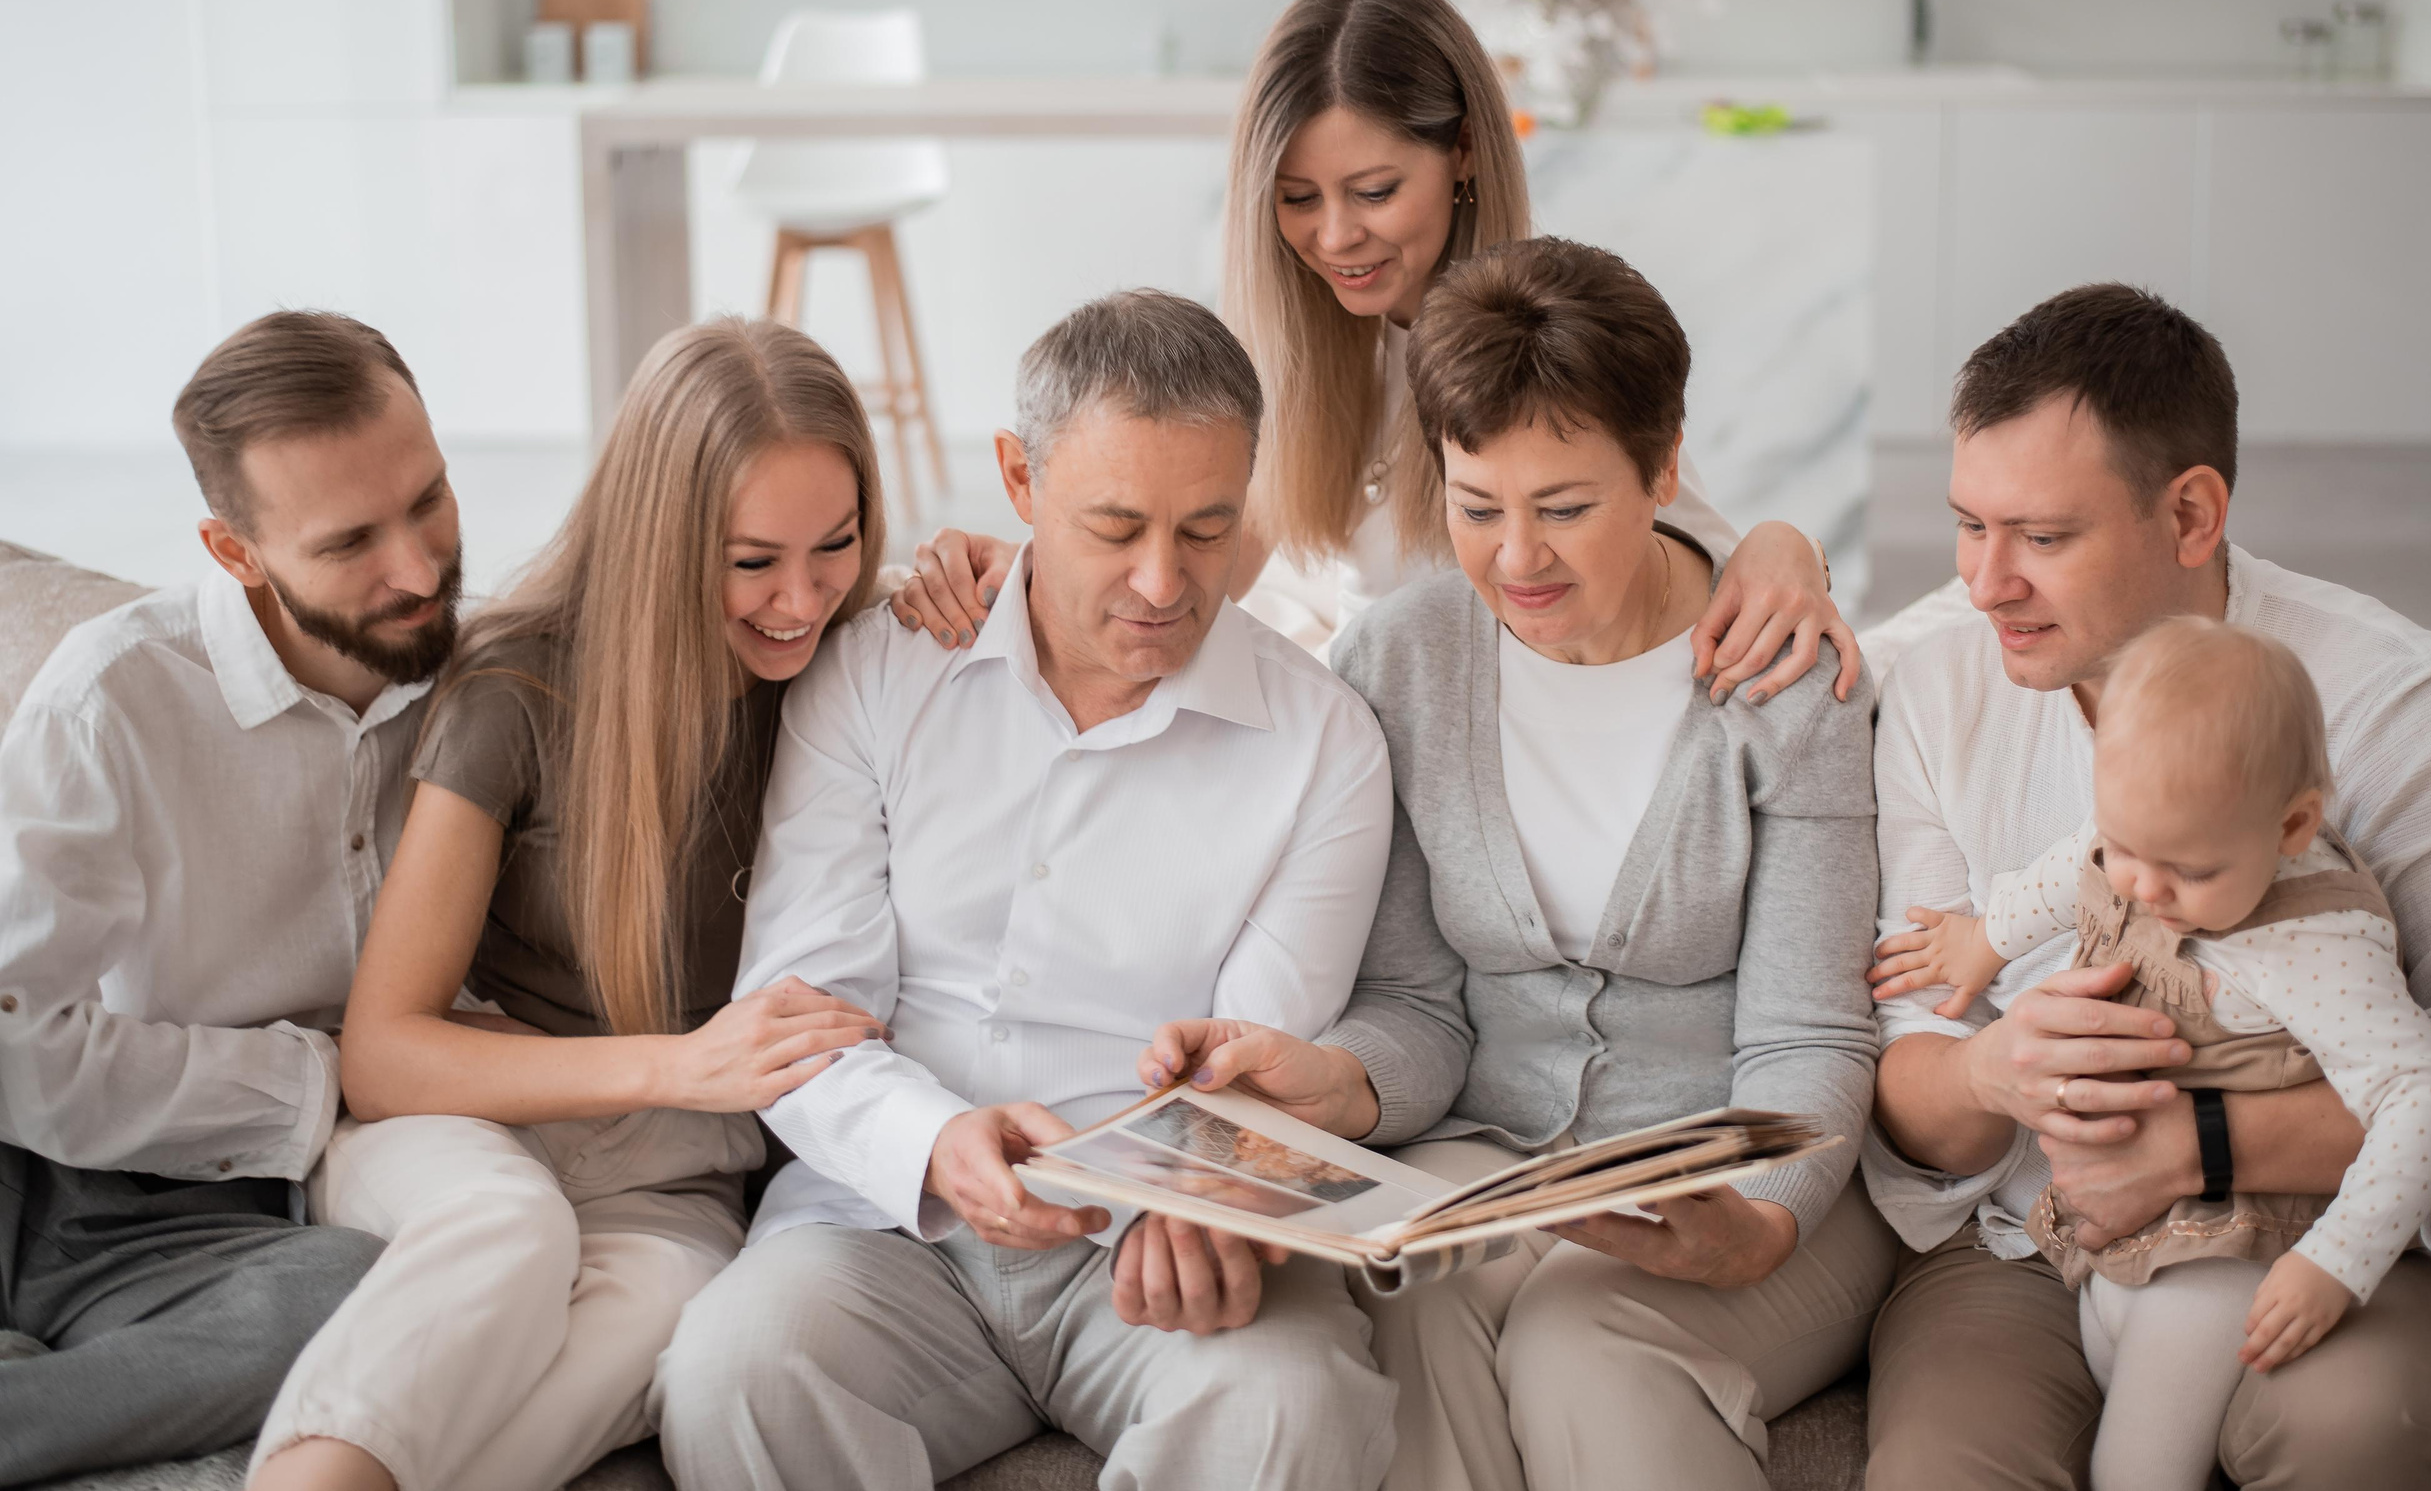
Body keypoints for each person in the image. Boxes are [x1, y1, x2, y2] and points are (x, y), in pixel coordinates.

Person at [1133, 237, 1891, 1491]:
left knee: (1577, 1337)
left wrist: (1755, 1224)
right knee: (1406, 1299)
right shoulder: (1400, 657)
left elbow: (1810, 1036)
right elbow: (1422, 1010)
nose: (1517, 559)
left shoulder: (1782, 682)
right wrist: (1322, 1077)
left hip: (1750, 1178)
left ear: (1661, 468)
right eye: (1476, 507)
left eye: (1565, 507)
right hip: (1485, 1153)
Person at [655, 290, 1400, 1491]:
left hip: (1150, 1244)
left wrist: (1204, 1193)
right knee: (733, 1370)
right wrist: (935, 1140)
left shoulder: (1325, 743)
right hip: (880, 1222)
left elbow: (1260, 1057)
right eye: (1114, 526)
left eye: (1206, 529)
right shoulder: (875, 671)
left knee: (1296, 1405)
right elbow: (799, 1011)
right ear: (1017, 479)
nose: (1162, 580)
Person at [1858, 283, 2431, 1491]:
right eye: (1967, 524)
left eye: (2041, 534)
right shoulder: (1929, 689)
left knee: (2345, 1425)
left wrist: (2205, 1147)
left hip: (2333, 1225)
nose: (1984, 583)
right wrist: (1990, 1067)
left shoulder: (2386, 701)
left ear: (2189, 513)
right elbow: (1905, 1069)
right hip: (2030, 1241)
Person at [246, 319, 891, 1491]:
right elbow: (384, 1053)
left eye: (834, 543)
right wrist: (677, 1064)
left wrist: (993, 571)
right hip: (470, 1128)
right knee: (514, 1231)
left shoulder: (864, 674)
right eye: (750, 560)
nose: (801, 596)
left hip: (676, 1179)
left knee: (654, 1319)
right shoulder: (520, 685)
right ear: (660, 537)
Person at [892, 0, 1856, 708]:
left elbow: (1670, 521)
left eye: (1376, 192)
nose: (1334, 238)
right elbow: (1206, 561)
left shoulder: (1531, 341)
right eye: (1298, 199)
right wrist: (1028, 571)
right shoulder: (1296, 356)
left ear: (1466, 150)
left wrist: (1787, 547)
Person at [0, 311, 462, 1483]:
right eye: (351, 540)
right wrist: (320, 1078)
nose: (415, 569)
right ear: (234, 550)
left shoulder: (479, 677)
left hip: (233, 1221)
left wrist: (949, 573)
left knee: (358, 1299)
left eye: (429, 500)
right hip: (47, 1165)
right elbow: (19, 1051)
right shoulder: (111, 702)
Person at [1877, 616, 2431, 1491]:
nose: (2144, 890)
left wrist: (2335, 1260)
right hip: (2117, 1244)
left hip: (2230, 1248)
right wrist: (1981, 943)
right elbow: (2064, 867)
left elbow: (2429, 1101)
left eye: (2185, 873)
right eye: (2127, 850)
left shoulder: (2318, 941)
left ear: (2293, 824)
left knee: (2137, 1468)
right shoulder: (2149, 833)